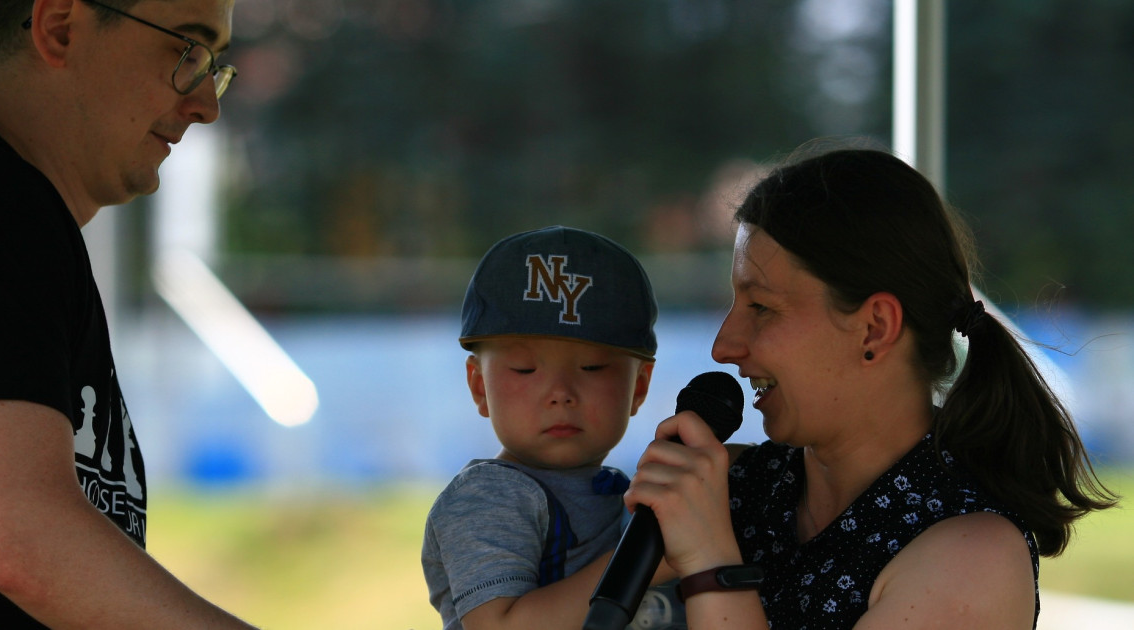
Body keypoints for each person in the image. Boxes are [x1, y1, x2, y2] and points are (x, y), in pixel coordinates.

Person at [624, 145, 1118, 629]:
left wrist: (712, 562)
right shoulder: (734, 486)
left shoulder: (974, 555)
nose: (724, 346)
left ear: (874, 327)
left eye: (761, 307)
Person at [0, 0, 255, 627]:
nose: (206, 105)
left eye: (213, 66)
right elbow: (24, 541)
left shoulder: (1, 213)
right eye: (185, 51)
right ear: (60, 28)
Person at [422, 225, 686, 629]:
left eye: (592, 368)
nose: (561, 393)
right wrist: (649, 560)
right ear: (479, 386)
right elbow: (499, 626)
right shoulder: (492, 496)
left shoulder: (624, 488)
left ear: (639, 387)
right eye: (525, 369)